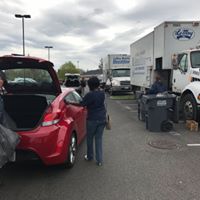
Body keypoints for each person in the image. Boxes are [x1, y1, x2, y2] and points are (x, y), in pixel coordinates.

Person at [80, 76, 106, 166]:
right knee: (99, 139)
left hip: (92, 119)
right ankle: (99, 160)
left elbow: (82, 104)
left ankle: (90, 156)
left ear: (90, 85)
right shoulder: (102, 93)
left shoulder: (89, 95)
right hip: (102, 119)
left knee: (90, 138)